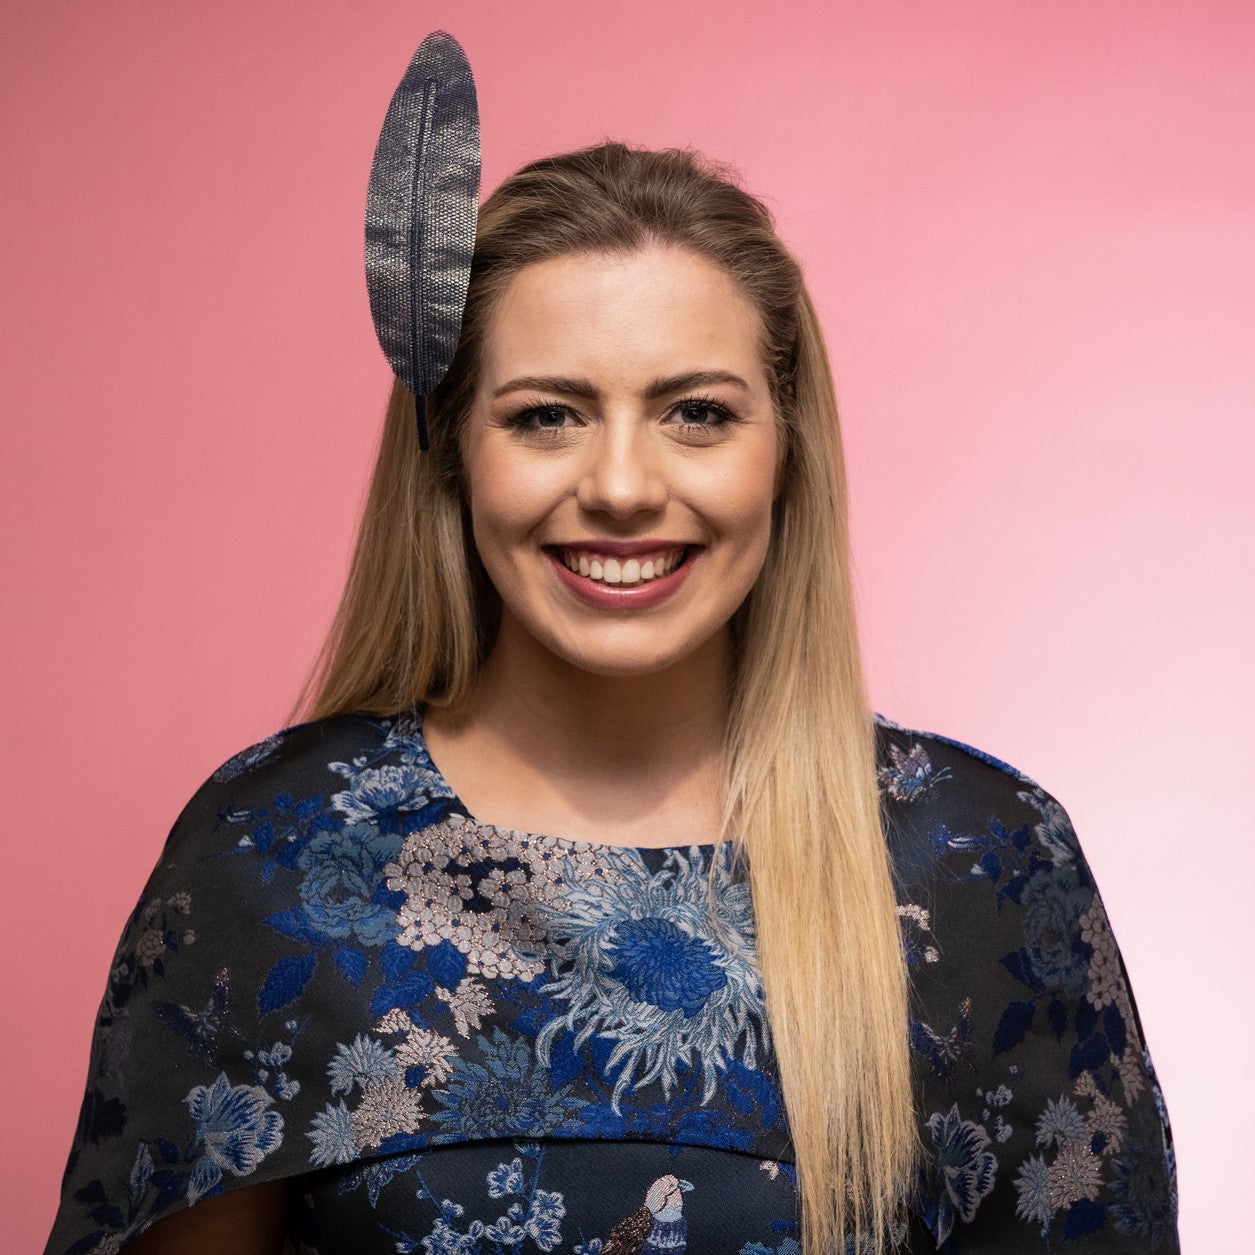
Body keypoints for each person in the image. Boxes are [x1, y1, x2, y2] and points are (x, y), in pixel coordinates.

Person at [43, 142, 1181, 1255]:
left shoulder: (980, 862)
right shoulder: (278, 854)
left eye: (696, 412)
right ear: (451, 452)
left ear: (785, 448)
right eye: (547, 414)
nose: (624, 487)